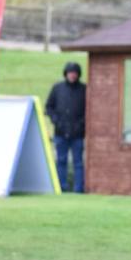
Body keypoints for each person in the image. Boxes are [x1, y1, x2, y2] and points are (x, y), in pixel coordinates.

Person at [45, 61, 86, 193]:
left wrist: (81, 124)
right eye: (70, 73)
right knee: (61, 161)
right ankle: (61, 188)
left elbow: (90, 110)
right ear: (66, 74)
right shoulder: (57, 88)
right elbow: (48, 107)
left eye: (74, 73)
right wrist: (56, 120)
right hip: (60, 132)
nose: (72, 75)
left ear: (78, 74)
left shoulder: (84, 89)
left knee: (78, 163)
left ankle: (78, 189)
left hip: (78, 133)